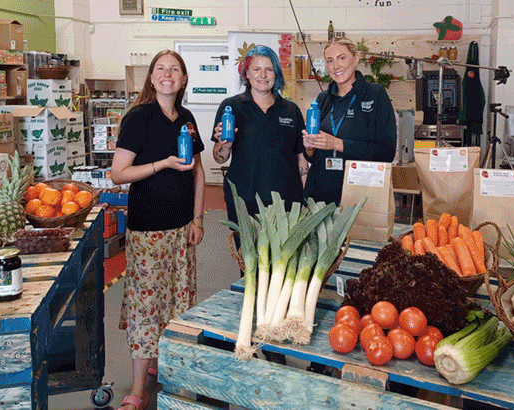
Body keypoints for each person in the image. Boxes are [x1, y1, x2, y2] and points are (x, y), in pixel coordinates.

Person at [111, 49, 205, 410]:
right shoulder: (139, 118)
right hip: (148, 229)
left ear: (183, 80)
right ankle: (138, 389)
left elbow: (197, 171)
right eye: (160, 69)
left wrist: (197, 219)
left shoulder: (187, 118)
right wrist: (162, 163)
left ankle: (158, 362)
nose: (168, 75)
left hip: (182, 228)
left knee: (178, 299)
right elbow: (118, 174)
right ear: (151, 78)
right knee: (147, 305)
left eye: (175, 69)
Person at [212, 45, 308, 251]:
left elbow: (301, 159)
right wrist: (224, 145)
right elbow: (220, 158)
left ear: (276, 73)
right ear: (246, 73)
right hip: (244, 200)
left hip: (286, 202)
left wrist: (305, 197)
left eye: (269, 69)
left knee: (283, 259)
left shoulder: (291, 110)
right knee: (247, 259)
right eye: (256, 69)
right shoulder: (231, 107)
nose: (263, 75)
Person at [302, 36, 397, 205]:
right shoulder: (323, 99)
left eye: (342, 58)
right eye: (330, 61)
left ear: (356, 59)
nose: (335, 66)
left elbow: (387, 152)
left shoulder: (375, 95)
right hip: (319, 197)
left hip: (358, 197)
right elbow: (311, 157)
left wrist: (336, 144)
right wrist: (310, 147)